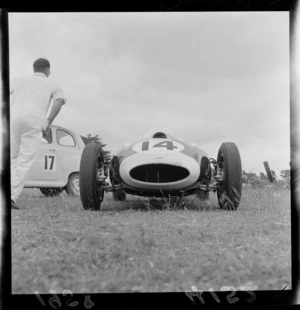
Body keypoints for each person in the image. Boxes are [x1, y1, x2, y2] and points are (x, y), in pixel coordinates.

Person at [10, 58, 67, 209]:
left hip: (14, 117)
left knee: (12, 158)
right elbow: (59, 101)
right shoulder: (52, 84)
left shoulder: (19, 79)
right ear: (47, 70)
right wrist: (48, 121)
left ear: (34, 68)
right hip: (34, 119)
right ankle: (10, 196)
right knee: (24, 160)